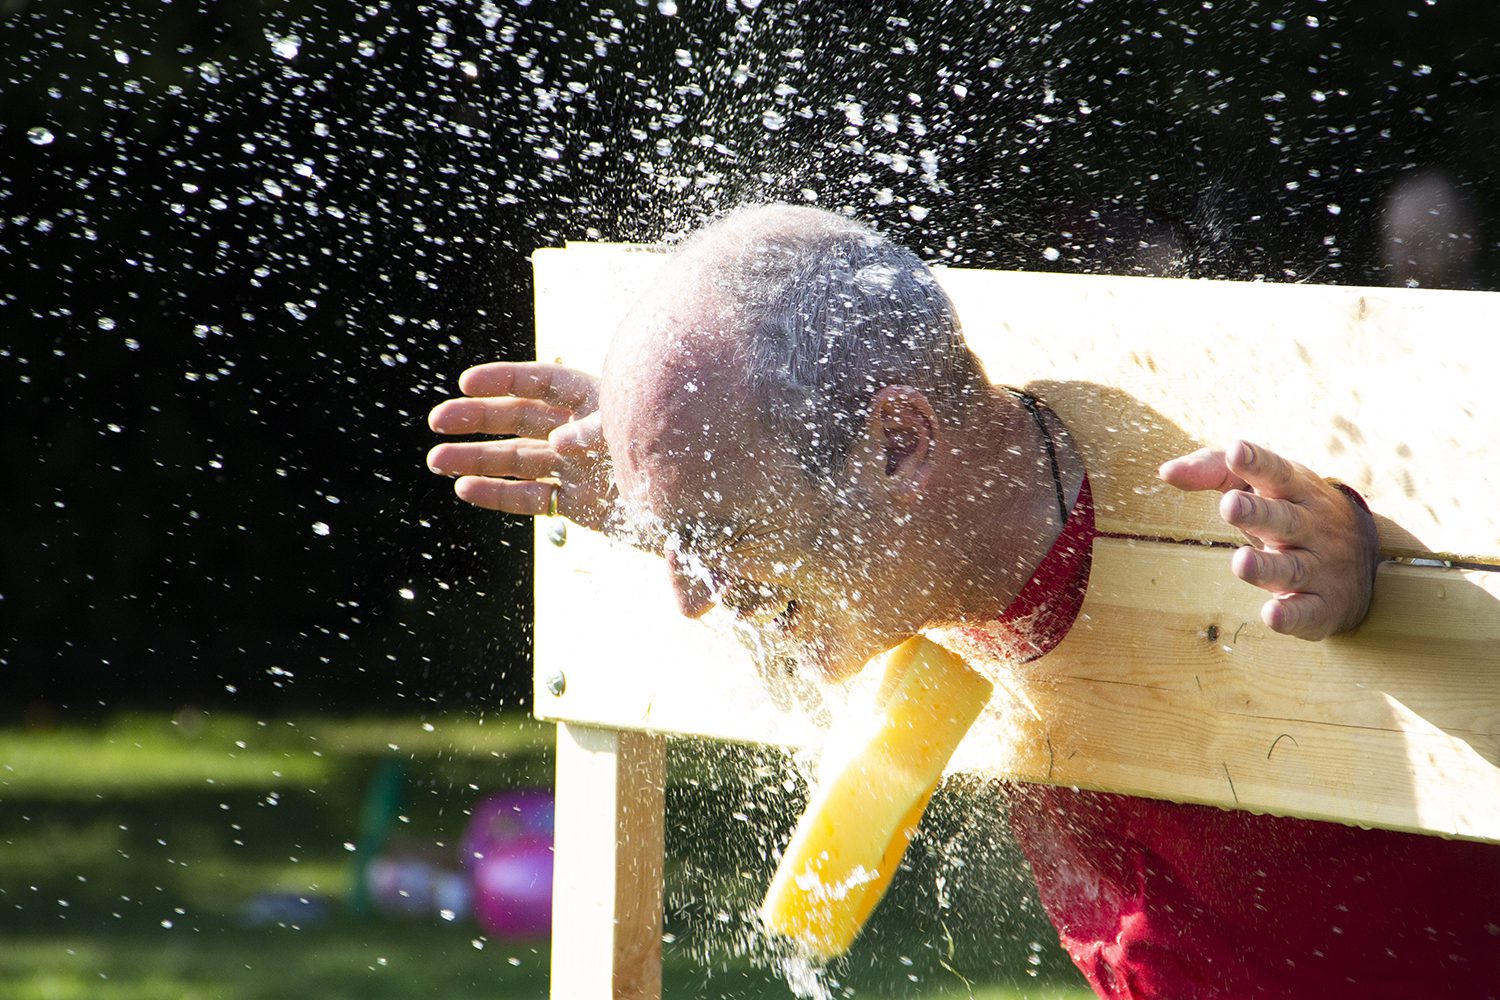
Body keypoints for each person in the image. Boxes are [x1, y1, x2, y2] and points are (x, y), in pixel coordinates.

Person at [427, 205, 1499, 998]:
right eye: (680, 543)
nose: (699, 600)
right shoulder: (911, 564)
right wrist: (682, 495)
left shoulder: (1249, 535)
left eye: (720, 539)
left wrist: (1372, 561)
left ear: (901, 442)